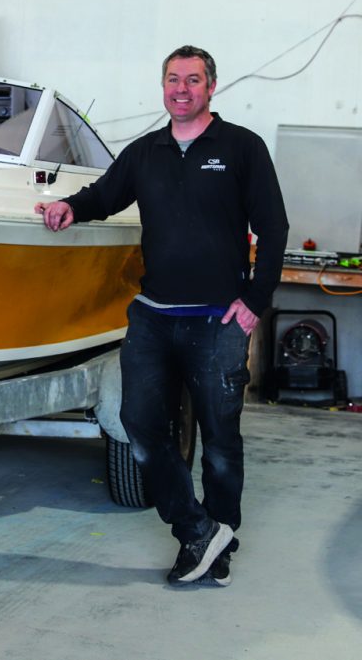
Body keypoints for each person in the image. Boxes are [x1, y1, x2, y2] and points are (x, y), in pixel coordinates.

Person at [35, 45, 288, 587]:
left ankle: (216, 543)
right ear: (164, 86)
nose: (181, 89)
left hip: (217, 320)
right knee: (140, 425)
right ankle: (196, 530)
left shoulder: (242, 148)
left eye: (192, 80)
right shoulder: (146, 150)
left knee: (220, 438)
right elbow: (104, 195)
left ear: (211, 87)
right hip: (152, 317)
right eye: (172, 79)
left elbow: (274, 227)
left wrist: (255, 299)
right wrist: (68, 207)